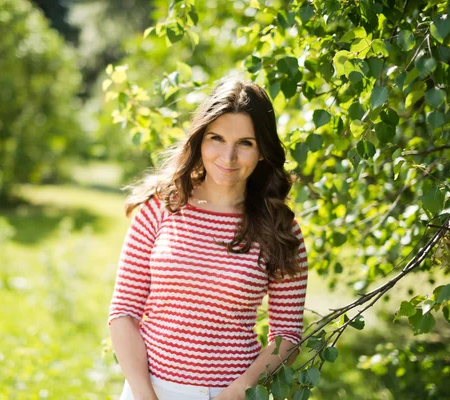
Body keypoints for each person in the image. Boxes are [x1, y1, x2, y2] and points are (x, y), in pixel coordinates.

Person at [107, 77, 308, 400]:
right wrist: (144, 395)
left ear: (262, 151)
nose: (228, 157)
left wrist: (238, 391)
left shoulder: (280, 228)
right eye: (216, 138)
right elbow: (124, 312)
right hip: (149, 389)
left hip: (229, 394)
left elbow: (287, 335)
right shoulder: (160, 207)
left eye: (245, 143)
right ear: (200, 139)